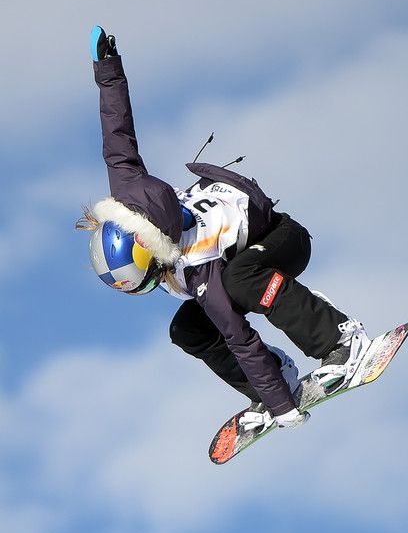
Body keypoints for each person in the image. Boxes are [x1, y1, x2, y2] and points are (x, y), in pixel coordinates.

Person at [78, 26, 370, 430]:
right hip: (238, 262)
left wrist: (283, 407)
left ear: (152, 255)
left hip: (283, 240)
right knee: (187, 329)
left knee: (240, 281)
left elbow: (238, 336)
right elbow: (117, 130)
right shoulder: (127, 191)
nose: (156, 286)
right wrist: (107, 67)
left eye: (149, 281)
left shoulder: (197, 264)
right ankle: (273, 378)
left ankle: (340, 340)